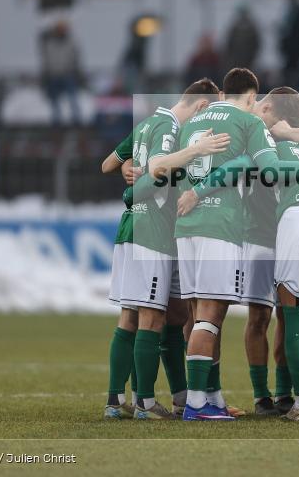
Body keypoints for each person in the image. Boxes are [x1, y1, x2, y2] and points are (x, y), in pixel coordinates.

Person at [173, 70, 299, 421]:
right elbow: (243, 167)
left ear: (275, 112)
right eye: (257, 102)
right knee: (251, 315)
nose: (258, 109)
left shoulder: (290, 137)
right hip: (254, 235)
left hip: (285, 234)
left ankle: (276, 393)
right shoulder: (256, 132)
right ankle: (256, 396)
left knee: (287, 318)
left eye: (264, 107)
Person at [99, 79, 229, 420]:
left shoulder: (145, 122)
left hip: (131, 227)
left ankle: (117, 400)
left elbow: (109, 163)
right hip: (152, 233)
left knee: (142, 315)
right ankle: (143, 402)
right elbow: (158, 169)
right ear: (200, 106)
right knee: (151, 317)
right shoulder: (169, 128)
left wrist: (129, 168)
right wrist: (196, 152)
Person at [39, 19, 81, 125]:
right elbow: (46, 60)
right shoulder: (49, 43)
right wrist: (45, 74)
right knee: (54, 100)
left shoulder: (71, 42)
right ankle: (56, 120)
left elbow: (75, 58)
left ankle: (76, 119)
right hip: (53, 75)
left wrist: (77, 72)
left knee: (72, 98)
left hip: (68, 74)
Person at [278, 0, 299, 77]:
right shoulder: (288, 9)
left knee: (293, 69)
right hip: (288, 46)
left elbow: (298, 30)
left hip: (295, 46)